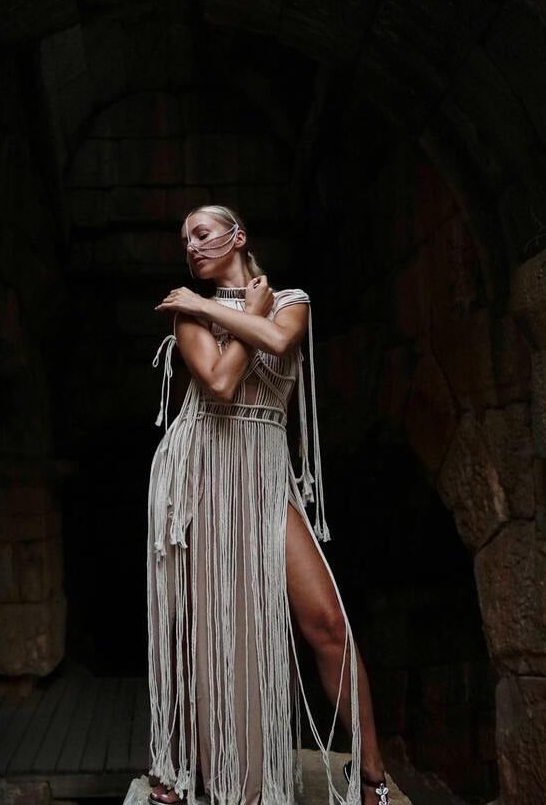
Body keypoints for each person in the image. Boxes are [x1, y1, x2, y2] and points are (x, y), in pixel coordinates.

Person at [123, 205, 390, 805]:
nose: (191, 247)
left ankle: (371, 771)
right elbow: (218, 383)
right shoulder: (185, 317)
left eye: (203, 233)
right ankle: (178, 767)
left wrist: (233, 308)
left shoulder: (287, 300)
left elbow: (276, 336)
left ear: (237, 236)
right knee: (198, 630)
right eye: (184, 240)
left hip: (266, 478)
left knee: (327, 624)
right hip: (202, 477)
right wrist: (230, 310)